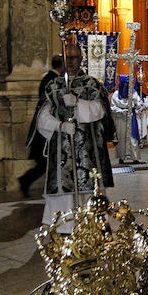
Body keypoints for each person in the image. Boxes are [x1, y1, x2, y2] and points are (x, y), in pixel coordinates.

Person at [37, 43, 115, 232]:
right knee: (64, 190)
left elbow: (100, 111)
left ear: (81, 59)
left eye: (74, 58)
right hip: (61, 149)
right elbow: (42, 118)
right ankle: (65, 227)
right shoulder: (53, 86)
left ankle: (93, 225)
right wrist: (60, 125)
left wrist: (79, 104)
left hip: (87, 150)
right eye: (67, 58)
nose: (70, 62)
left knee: (89, 187)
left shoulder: (92, 84)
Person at [18, 54, 65, 197]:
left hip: (47, 126)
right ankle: (25, 180)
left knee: (46, 161)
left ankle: (28, 181)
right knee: (45, 160)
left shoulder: (48, 78)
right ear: (61, 65)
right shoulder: (51, 79)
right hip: (46, 128)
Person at [111, 74, 142, 163]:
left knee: (133, 138)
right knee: (121, 138)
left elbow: (138, 103)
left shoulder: (133, 93)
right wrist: (121, 111)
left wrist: (138, 107)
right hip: (121, 119)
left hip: (131, 118)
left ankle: (135, 157)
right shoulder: (116, 94)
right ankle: (122, 157)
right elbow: (113, 107)